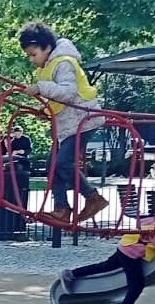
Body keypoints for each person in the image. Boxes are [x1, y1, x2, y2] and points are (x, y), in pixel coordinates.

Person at [19, 21, 107, 224]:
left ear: (46, 47)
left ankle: (93, 197)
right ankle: (62, 208)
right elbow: (58, 100)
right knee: (53, 164)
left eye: (33, 54)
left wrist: (41, 87)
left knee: (63, 163)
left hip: (84, 120)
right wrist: (45, 110)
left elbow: (67, 92)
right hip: (69, 124)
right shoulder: (47, 67)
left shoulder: (63, 63)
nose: (31, 59)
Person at [60, 216, 155, 304]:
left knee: (105, 266)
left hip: (125, 246)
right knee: (137, 284)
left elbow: (141, 224)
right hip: (132, 253)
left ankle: (71, 273)